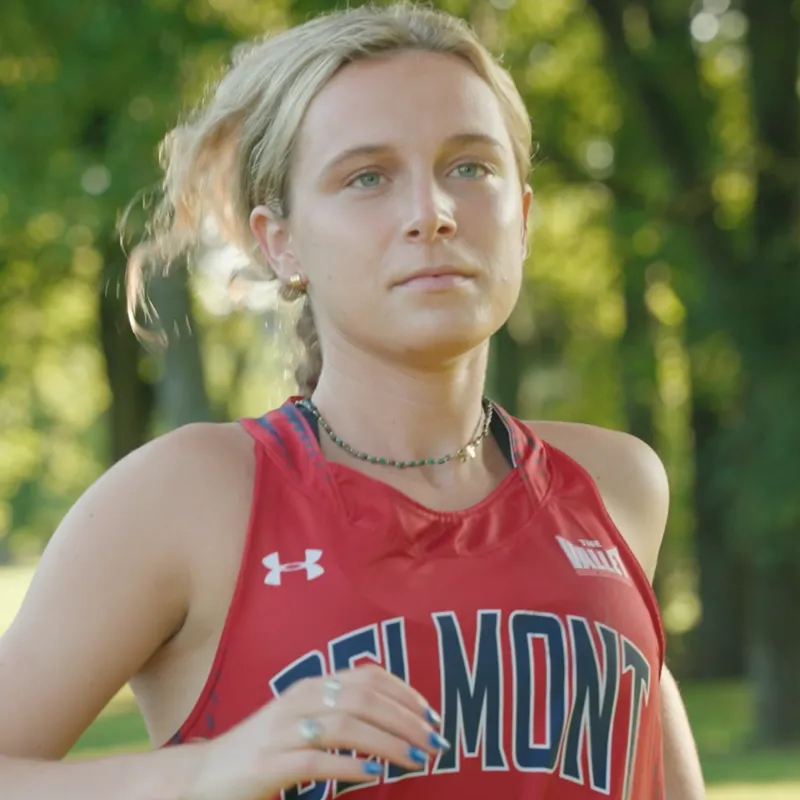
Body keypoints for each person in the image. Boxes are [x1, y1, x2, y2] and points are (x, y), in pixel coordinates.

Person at [0, 3, 705, 798]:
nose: (431, 213)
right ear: (281, 241)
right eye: (366, 177)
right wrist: (208, 769)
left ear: (525, 216)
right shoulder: (190, 495)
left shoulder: (615, 484)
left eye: (469, 167)